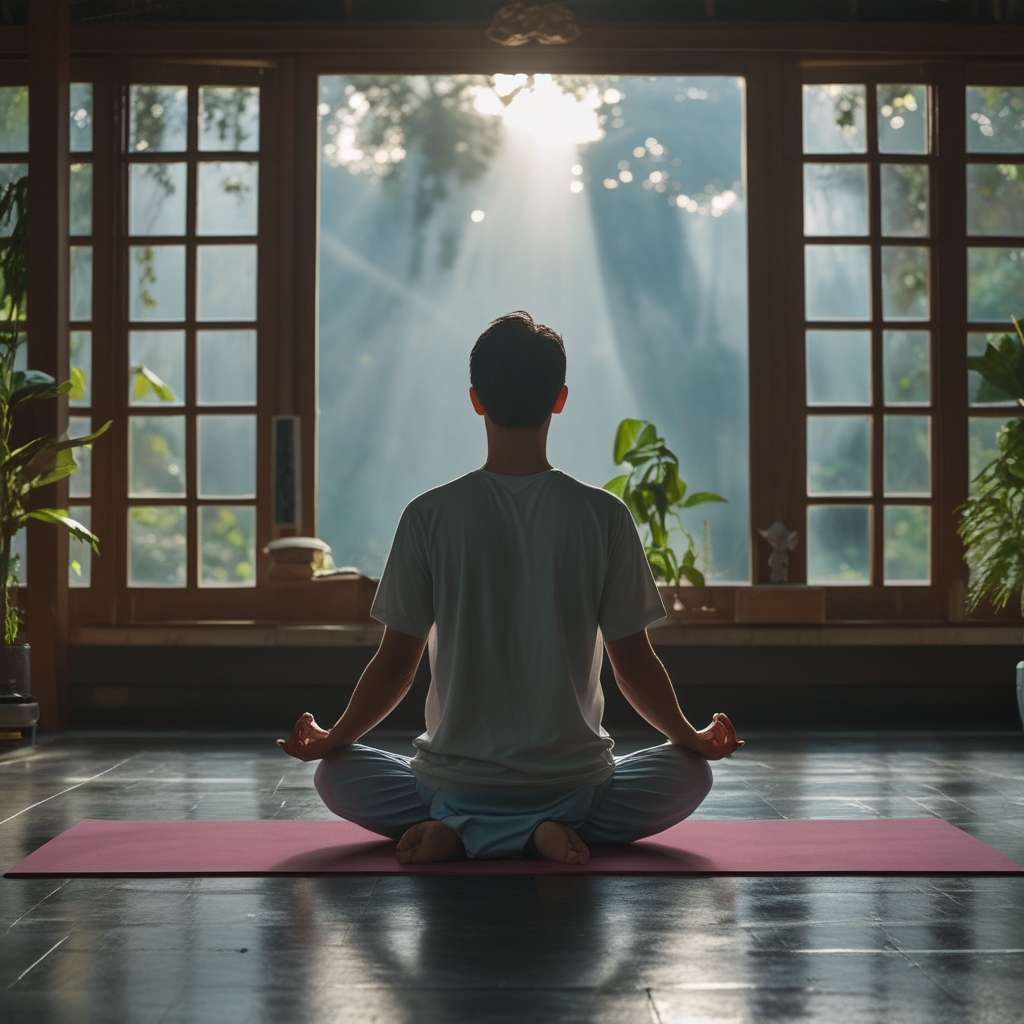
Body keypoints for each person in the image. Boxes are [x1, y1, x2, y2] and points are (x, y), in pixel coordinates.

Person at [278, 311, 743, 865]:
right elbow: (632, 665)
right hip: (576, 787)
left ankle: (460, 827)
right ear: (560, 399)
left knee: (338, 775)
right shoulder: (604, 515)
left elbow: (396, 667)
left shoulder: (428, 515)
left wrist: (334, 738)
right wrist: (689, 736)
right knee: (688, 773)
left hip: (449, 786)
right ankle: (545, 828)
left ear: (476, 399)